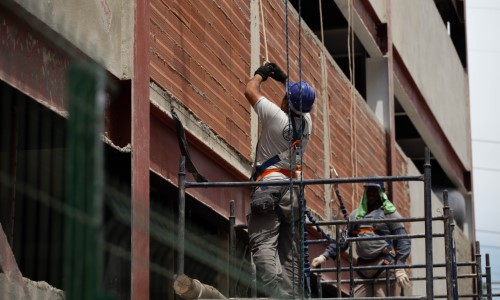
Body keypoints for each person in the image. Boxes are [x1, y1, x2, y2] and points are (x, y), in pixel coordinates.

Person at [245, 62, 316, 298]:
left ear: (286, 102)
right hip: (291, 194)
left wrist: (261, 74)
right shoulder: (307, 125)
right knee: (290, 253)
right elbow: (298, 99)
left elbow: (250, 91)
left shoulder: (276, 117)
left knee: (264, 243)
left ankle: (272, 294)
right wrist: (285, 78)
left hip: (269, 186)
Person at [311, 178, 411, 296]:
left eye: (375, 191)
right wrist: (325, 255)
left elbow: (403, 240)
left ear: (381, 193)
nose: (371, 194)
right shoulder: (356, 215)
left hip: (384, 266)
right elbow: (343, 239)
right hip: (363, 269)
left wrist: (400, 266)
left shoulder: (390, 214)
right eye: (369, 190)